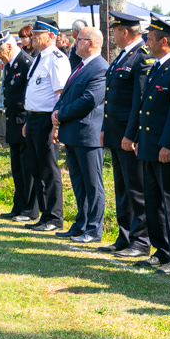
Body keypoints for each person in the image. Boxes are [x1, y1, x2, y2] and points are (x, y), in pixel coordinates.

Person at [125, 14, 170, 273]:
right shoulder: (157, 66)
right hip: (150, 145)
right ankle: (161, 250)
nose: (146, 42)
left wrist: (169, 145)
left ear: (164, 41)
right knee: (153, 201)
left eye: (150, 39)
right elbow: (146, 107)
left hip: (167, 149)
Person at [99, 10, 152, 257]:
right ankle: (125, 236)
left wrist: (131, 135)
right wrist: (104, 129)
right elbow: (112, 98)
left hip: (128, 136)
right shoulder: (123, 57)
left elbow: (138, 102)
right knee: (122, 188)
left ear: (125, 32)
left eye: (115, 30)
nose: (113, 35)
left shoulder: (141, 57)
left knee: (136, 189)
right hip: (115, 133)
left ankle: (141, 241)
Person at [52, 26, 108, 243]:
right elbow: (67, 95)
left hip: (88, 134)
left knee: (93, 184)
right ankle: (81, 223)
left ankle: (94, 229)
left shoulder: (100, 68)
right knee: (79, 183)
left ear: (92, 43)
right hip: (74, 133)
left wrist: (61, 114)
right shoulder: (82, 65)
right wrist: (57, 111)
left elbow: (89, 100)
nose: (75, 43)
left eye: (80, 40)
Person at [22, 16, 71, 231]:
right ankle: (44, 215)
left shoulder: (56, 58)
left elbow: (60, 94)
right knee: (36, 168)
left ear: (51, 36)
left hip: (46, 119)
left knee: (49, 169)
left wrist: (55, 125)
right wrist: (27, 119)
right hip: (33, 118)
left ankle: (54, 217)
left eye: (37, 34)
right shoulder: (40, 57)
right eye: (32, 33)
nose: (32, 36)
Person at [0, 30, 38, 221]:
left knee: (27, 167)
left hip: (23, 121)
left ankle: (29, 209)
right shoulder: (10, 64)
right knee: (17, 166)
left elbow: (29, 95)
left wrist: (26, 121)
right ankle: (19, 205)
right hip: (13, 121)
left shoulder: (25, 63)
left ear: (9, 46)